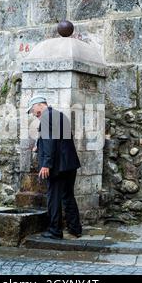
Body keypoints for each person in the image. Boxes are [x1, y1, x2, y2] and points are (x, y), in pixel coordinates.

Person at [27, 96, 83, 239]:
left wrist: (46, 164)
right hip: (69, 164)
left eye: (34, 110)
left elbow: (51, 141)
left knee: (53, 197)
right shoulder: (59, 115)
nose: (34, 113)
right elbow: (59, 139)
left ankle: (55, 231)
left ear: (39, 105)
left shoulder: (46, 117)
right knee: (68, 196)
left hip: (56, 166)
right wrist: (39, 145)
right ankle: (75, 229)